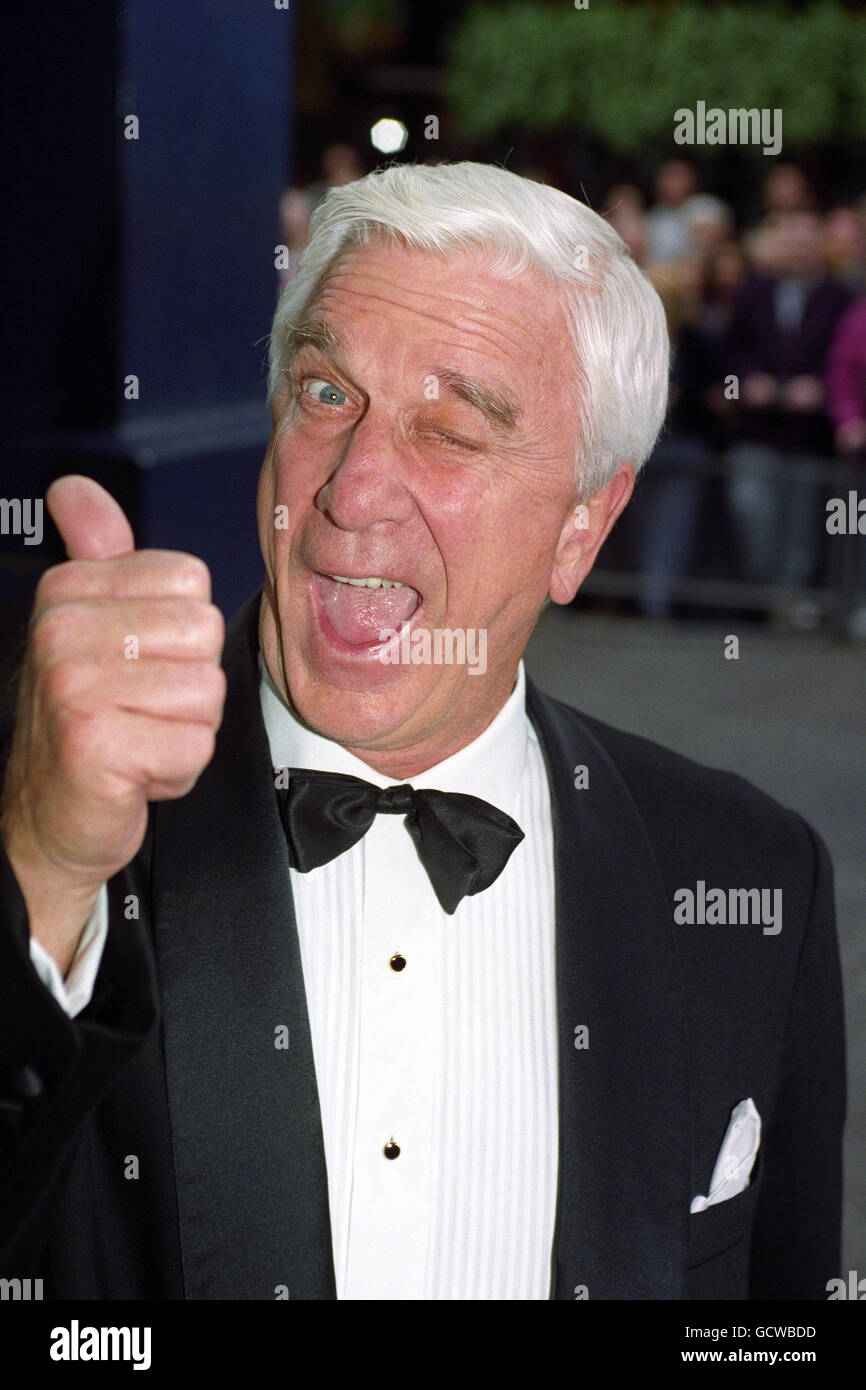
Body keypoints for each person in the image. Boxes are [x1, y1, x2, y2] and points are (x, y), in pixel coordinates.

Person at [0, 163, 845, 1301]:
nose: (354, 489)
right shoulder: (48, 816)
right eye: (323, 395)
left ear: (582, 527)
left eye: (450, 430)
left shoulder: (749, 877)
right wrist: (46, 875)